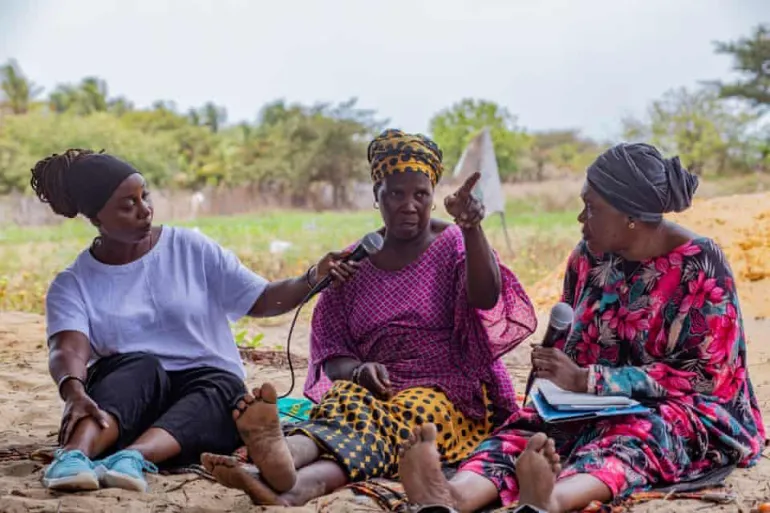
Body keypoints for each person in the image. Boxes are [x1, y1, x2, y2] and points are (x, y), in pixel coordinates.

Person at [396, 143, 767, 513]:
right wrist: (560, 373)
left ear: (630, 216)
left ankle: (552, 498)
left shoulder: (701, 265)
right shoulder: (588, 257)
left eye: (592, 208)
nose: (580, 219)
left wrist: (590, 381)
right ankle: (454, 494)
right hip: (592, 404)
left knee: (639, 434)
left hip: (689, 409)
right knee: (531, 431)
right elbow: (577, 353)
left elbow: (707, 378)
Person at [200, 129, 538, 506]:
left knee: (411, 418)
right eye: (396, 193)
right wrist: (359, 371)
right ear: (376, 196)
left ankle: (291, 471)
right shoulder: (353, 264)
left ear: (433, 198)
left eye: (421, 194)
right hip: (375, 389)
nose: (409, 205)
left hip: (449, 393)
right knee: (345, 399)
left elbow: (486, 296)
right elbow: (333, 353)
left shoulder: (453, 244)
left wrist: (472, 228)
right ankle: (287, 460)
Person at [31, 149, 358, 493]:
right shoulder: (74, 282)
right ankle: (72, 457)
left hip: (199, 409)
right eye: (127, 205)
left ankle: (132, 459)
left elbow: (261, 297)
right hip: (125, 403)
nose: (145, 210)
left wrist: (311, 278)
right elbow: (67, 350)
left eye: (145, 196)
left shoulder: (191, 248)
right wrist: (73, 391)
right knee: (140, 367)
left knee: (225, 388)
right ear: (97, 217)